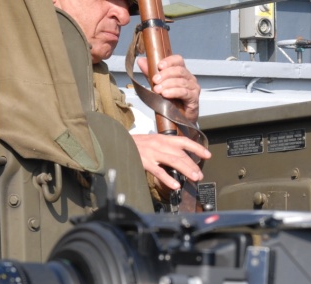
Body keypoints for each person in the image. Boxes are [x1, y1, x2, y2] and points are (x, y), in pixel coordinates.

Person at [52, 0, 210, 198]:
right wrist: (121, 148)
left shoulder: (101, 82)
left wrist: (182, 121)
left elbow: (163, 183)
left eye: (127, 5)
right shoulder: (9, 64)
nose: (124, 17)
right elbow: (32, 133)